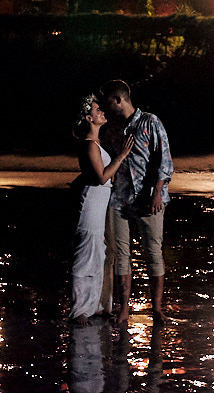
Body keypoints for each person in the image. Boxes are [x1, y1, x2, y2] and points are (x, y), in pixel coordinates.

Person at [98, 79, 174, 323]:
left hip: (147, 198)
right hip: (119, 199)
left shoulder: (150, 122)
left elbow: (164, 159)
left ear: (119, 100)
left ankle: (157, 309)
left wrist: (157, 192)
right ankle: (123, 309)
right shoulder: (112, 129)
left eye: (108, 102)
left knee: (153, 252)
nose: (105, 107)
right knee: (121, 254)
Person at [69, 93, 135, 326]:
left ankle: (94, 305)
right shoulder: (89, 145)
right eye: (98, 111)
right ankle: (79, 310)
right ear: (89, 117)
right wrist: (121, 157)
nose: (102, 113)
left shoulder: (95, 144)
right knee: (86, 253)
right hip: (91, 206)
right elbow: (100, 177)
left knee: (98, 253)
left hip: (98, 203)